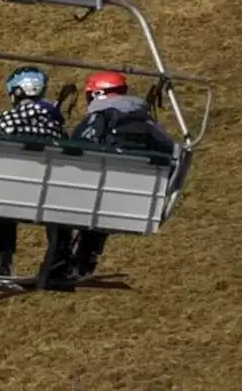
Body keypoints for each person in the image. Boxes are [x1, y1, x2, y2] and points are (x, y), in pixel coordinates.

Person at [56, 70, 179, 279]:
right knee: (102, 214)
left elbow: (79, 146)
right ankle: (87, 258)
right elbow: (171, 151)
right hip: (136, 196)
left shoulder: (100, 119)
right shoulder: (146, 121)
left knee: (81, 206)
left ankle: (63, 261)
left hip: (99, 190)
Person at [0, 66, 66, 276]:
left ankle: (2, 262)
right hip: (49, 194)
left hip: (11, 192)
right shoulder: (55, 126)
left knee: (1, 203)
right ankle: (59, 258)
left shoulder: (5, 121)